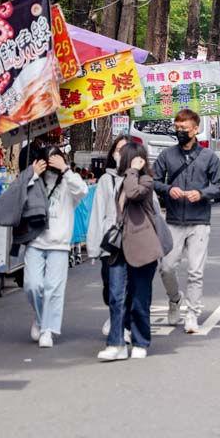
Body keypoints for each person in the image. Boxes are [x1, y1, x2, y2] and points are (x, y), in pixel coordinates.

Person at [153, 109, 220, 333]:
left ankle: (192, 314)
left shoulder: (208, 157)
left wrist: (202, 193)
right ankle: (175, 298)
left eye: (184, 129)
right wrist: (169, 189)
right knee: (166, 267)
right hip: (174, 219)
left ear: (195, 129)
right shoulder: (167, 155)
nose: (180, 132)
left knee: (196, 271)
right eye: (177, 128)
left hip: (199, 221)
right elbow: (153, 180)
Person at [98, 142, 167, 361]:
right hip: (119, 247)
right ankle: (116, 342)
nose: (118, 158)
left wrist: (134, 171)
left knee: (139, 297)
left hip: (142, 247)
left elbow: (134, 192)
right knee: (116, 296)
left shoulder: (145, 180)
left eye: (122, 155)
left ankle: (140, 341)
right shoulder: (118, 182)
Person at [21, 146, 88, 348]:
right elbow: (19, 194)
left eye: (54, 159)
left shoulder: (68, 182)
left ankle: (47, 330)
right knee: (32, 285)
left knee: (53, 289)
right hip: (35, 240)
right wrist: (31, 173)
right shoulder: (35, 180)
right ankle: (42, 319)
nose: (50, 164)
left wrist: (66, 169)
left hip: (59, 244)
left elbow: (83, 190)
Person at [87, 135, 131, 340]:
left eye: (125, 150)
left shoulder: (141, 178)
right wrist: (93, 248)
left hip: (134, 243)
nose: (120, 154)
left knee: (129, 286)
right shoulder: (106, 180)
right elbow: (97, 214)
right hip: (110, 243)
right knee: (111, 288)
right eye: (118, 149)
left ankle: (123, 326)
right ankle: (116, 315)